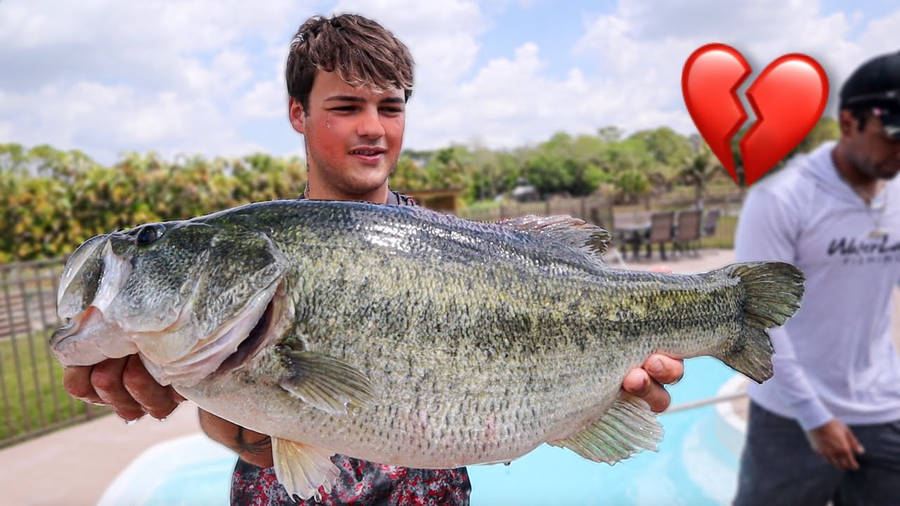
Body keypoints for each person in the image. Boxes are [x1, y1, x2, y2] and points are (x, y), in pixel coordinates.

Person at [62, 13, 685, 505]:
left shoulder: (465, 253)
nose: (373, 128)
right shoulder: (258, 247)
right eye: (345, 106)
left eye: (390, 107)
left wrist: (610, 393)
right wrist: (183, 388)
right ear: (298, 114)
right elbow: (251, 424)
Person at [733, 51, 900, 506]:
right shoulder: (781, 198)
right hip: (791, 416)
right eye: (894, 133)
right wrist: (814, 417)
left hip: (883, 407)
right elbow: (759, 317)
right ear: (849, 122)